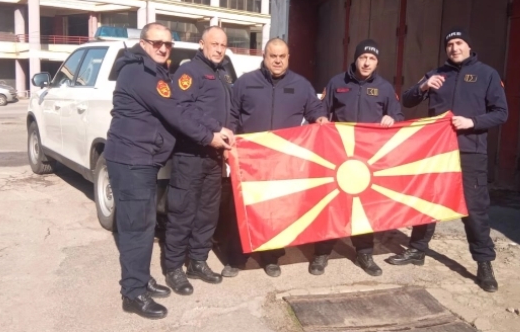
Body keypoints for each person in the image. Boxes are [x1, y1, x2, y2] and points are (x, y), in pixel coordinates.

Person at [104, 23, 231, 319]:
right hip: (131, 158)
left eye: (168, 44)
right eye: (156, 43)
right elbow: (175, 111)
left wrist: (215, 128)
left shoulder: (155, 71)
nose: (163, 48)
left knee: (144, 224)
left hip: (142, 158)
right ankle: (133, 292)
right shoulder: (139, 72)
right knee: (138, 227)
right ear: (143, 43)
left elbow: (175, 106)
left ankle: (140, 278)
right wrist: (211, 136)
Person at [386, 28, 508, 292]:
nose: (454, 48)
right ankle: (417, 250)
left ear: (469, 46)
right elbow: (407, 100)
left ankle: (484, 263)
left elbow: (501, 113)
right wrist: (423, 86)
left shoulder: (487, 74)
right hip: (436, 152)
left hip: (470, 151)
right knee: (427, 202)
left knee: (474, 210)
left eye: (459, 42)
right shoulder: (436, 73)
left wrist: (472, 122)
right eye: (450, 44)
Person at [223, 38, 328, 278]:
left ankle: (271, 257)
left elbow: (315, 109)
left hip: (283, 162)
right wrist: (229, 143)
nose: (278, 60)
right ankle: (236, 257)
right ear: (265, 56)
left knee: (277, 210)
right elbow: (232, 115)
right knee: (243, 209)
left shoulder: (301, 85)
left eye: (282, 56)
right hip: (251, 161)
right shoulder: (246, 83)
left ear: (288, 58)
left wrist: (320, 118)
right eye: (273, 56)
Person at [309, 39, 404, 277]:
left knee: (364, 207)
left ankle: (364, 254)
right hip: (338, 156)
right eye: (363, 57)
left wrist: (392, 119)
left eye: (372, 59)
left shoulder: (384, 87)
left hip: (368, 160)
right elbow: (322, 109)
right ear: (356, 59)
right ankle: (321, 253)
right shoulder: (336, 82)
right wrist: (321, 119)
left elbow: (397, 115)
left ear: (377, 63)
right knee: (333, 205)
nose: (367, 63)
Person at [163, 26, 236, 295]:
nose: (219, 49)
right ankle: (173, 268)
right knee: (182, 213)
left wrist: (227, 139)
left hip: (214, 157)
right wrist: (210, 135)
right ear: (201, 44)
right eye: (214, 43)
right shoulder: (188, 72)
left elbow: (228, 115)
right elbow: (181, 112)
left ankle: (197, 261)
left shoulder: (223, 74)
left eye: (223, 45)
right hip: (191, 155)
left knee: (207, 213)